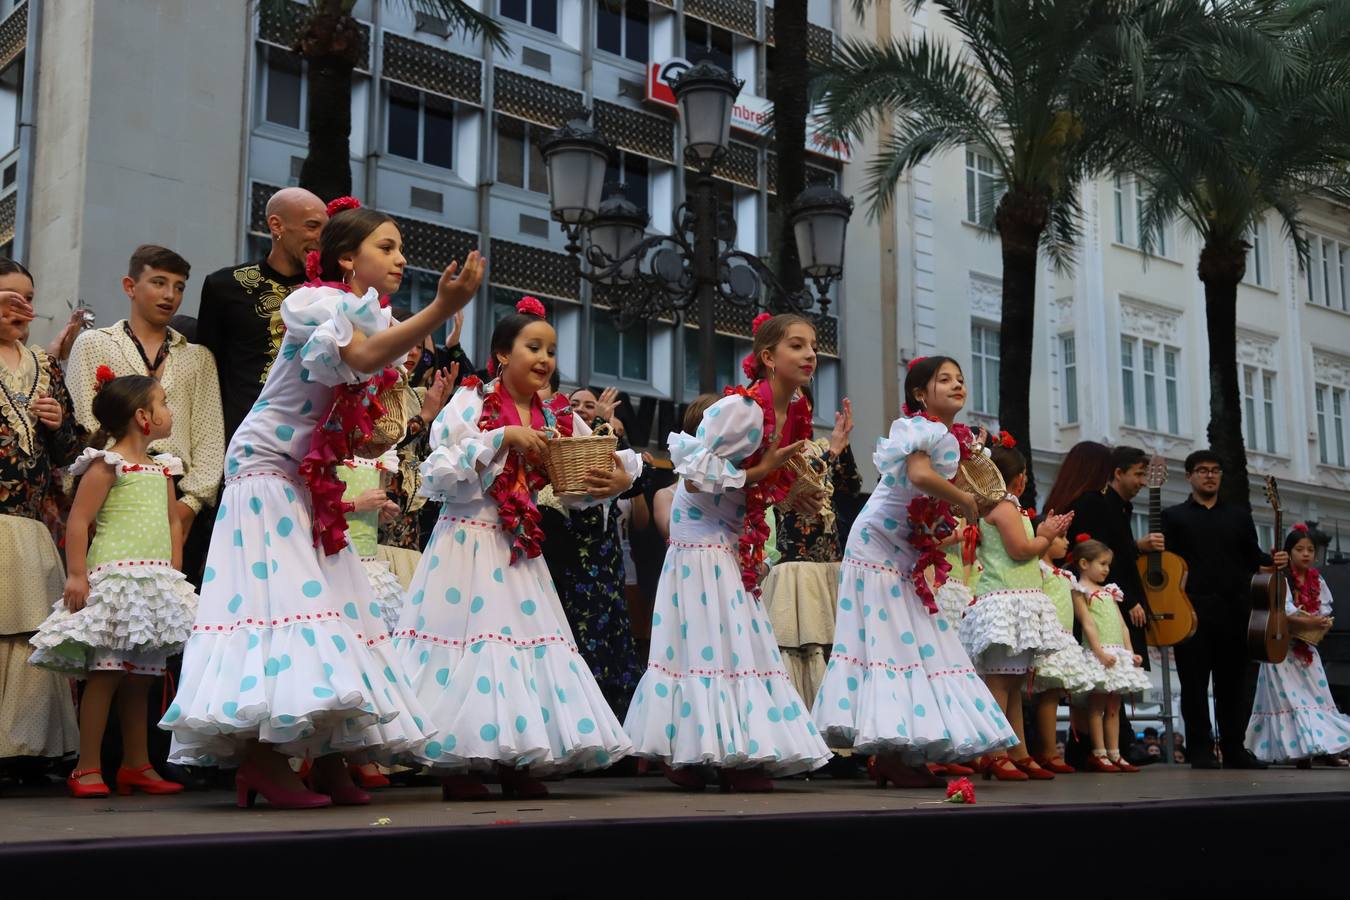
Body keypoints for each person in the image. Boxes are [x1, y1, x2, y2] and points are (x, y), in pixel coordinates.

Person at [160, 198, 484, 809]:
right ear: (345, 257)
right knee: (280, 605)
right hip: (262, 467)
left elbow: (354, 413)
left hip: (306, 477)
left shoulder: (365, 315)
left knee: (339, 607)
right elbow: (357, 358)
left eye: (400, 248)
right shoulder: (317, 302)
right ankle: (261, 759)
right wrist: (442, 308)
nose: (399, 258)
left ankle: (331, 756)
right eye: (386, 247)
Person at [393, 297, 640, 800]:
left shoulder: (556, 414)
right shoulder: (473, 401)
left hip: (519, 544)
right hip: (469, 536)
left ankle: (516, 759)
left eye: (551, 349)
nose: (545, 359)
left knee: (522, 647)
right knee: (467, 649)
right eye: (534, 347)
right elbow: (440, 467)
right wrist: (503, 435)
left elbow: (600, 465)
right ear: (502, 354)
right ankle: (457, 765)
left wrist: (615, 475)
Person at [625, 314, 832, 793]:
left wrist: (788, 492)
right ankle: (703, 752)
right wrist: (765, 476)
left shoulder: (791, 409)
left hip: (729, 532)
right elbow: (695, 476)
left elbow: (751, 484)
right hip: (700, 536)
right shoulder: (743, 410)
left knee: (735, 639)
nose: (809, 354)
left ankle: (715, 749)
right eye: (797, 346)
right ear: (767, 358)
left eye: (813, 346)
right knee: (716, 641)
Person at [813, 356, 1017, 789]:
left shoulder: (952, 438)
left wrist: (942, 528)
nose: (958, 385)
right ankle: (890, 753)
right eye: (945, 379)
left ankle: (898, 751)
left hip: (900, 550)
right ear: (920, 394)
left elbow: (923, 502)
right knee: (893, 646)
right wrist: (964, 502)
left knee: (912, 645)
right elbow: (920, 475)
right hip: (876, 548)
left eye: (961, 379)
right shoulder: (919, 428)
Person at [30, 374, 198, 797]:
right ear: (144, 417)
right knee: (104, 674)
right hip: (115, 583)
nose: (170, 410)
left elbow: (171, 521)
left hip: (152, 586)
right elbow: (80, 521)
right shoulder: (105, 465)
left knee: (141, 679)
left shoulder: (162, 468)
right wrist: (77, 574)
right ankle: (87, 766)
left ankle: (136, 763)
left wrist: (173, 569)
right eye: (164, 402)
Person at [65, 245, 225, 582]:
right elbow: (82, 424)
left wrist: (190, 506)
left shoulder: (198, 357)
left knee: (173, 604)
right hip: (113, 485)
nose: (170, 295)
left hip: (179, 490)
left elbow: (210, 438)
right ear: (130, 286)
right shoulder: (95, 343)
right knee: (111, 594)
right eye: (159, 282)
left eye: (179, 286)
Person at [0, 261, 80, 775]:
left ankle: (23, 751)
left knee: (31, 634)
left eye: (29, 297)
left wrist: (56, 426)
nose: (23, 307)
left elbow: (72, 451)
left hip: (28, 526)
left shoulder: (47, 368)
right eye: (10, 296)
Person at [1162, 449, 1286, 770]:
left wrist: (1273, 561)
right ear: (1189, 476)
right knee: (1193, 685)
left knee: (1232, 685)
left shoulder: (1239, 516)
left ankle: (1234, 748)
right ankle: (1199, 750)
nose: (1210, 475)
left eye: (1215, 470)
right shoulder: (1174, 517)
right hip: (1191, 612)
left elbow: (1252, 557)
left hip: (1235, 612)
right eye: (1202, 470)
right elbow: (1165, 565)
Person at [960, 442, 1075, 781]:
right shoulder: (1004, 508)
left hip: (1014, 600)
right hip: (1004, 601)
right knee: (999, 681)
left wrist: (1044, 534)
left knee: (1010, 680)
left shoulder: (1007, 507)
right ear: (1019, 478)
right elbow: (1022, 550)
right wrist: (1045, 537)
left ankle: (1018, 750)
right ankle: (995, 751)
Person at [197, 187, 328, 444]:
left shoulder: (329, 293)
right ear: (276, 225)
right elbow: (208, 370)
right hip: (243, 438)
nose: (321, 238)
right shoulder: (224, 285)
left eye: (326, 230)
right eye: (312, 226)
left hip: (312, 439)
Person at [760, 394, 860, 711]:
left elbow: (852, 485)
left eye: (801, 403)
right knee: (801, 648)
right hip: (794, 567)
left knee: (834, 648)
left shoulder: (817, 448)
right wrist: (832, 450)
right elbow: (803, 481)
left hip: (829, 565)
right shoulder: (774, 451)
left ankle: (838, 736)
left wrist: (841, 447)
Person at [1244, 524, 1350, 766]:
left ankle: (1326, 749)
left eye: (1310, 550)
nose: (1306, 554)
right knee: (1291, 700)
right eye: (1300, 549)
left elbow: (1323, 606)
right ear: (1289, 552)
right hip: (1281, 647)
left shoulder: (1317, 579)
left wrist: (1319, 619)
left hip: (1307, 649)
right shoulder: (1281, 578)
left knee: (1318, 698)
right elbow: (1282, 610)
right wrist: (1309, 619)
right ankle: (1301, 750)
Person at [1071, 538, 1151, 772]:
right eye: (1102, 564)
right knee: (1096, 707)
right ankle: (1098, 752)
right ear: (1084, 563)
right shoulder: (1080, 591)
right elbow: (1087, 624)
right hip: (1100, 653)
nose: (1107, 569)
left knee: (1114, 707)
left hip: (1117, 653)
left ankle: (1115, 753)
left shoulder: (1110, 591)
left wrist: (1130, 653)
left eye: (1108, 565)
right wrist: (1099, 652)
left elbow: (1122, 625)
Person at [1028, 533, 1096, 773]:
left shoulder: (1066, 575)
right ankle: (1047, 751)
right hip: (1047, 637)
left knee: (1054, 694)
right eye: (1061, 537)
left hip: (1063, 638)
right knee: (1047, 694)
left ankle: (1046, 751)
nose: (1067, 542)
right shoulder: (1037, 569)